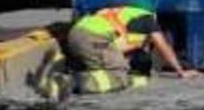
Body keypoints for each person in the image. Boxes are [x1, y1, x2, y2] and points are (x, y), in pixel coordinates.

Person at [65, 5, 195, 94]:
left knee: (102, 67)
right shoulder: (148, 19)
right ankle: (72, 83)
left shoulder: (125, 14)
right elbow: (163, 46)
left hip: (76, 31)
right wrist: (181, 72)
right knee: (118, 75)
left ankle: (71, 75)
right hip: (94, 36)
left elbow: (114, 50)